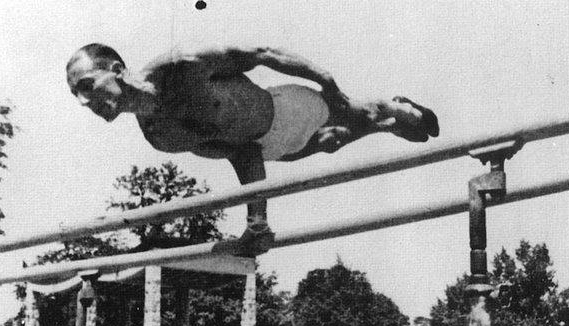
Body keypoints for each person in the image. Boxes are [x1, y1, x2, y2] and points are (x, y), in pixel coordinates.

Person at [66, 43, 439, 256]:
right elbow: (240, 152)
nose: (85, 103)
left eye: (86, 86)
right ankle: (386, 126)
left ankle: (393, 108)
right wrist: (256, 222)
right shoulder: (160, 136)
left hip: (287, 108)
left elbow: (262, 52)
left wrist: (325, 80)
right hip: (269, 149)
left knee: (356, 112)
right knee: (332, 143)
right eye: (75, 95)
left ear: (115, 69)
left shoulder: (179, 67)